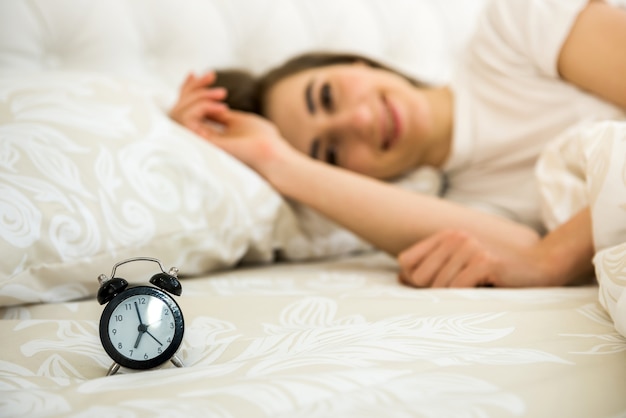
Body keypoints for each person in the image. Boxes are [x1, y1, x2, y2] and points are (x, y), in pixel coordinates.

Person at [169, 0, 626, 288]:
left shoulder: (512, 28)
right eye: (330, 153)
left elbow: (542, 258)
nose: (361, 120)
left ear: (357, 63)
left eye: (327, 95)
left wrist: (556, 256)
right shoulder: (470, 208)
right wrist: (276, 161)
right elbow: (523, 253)